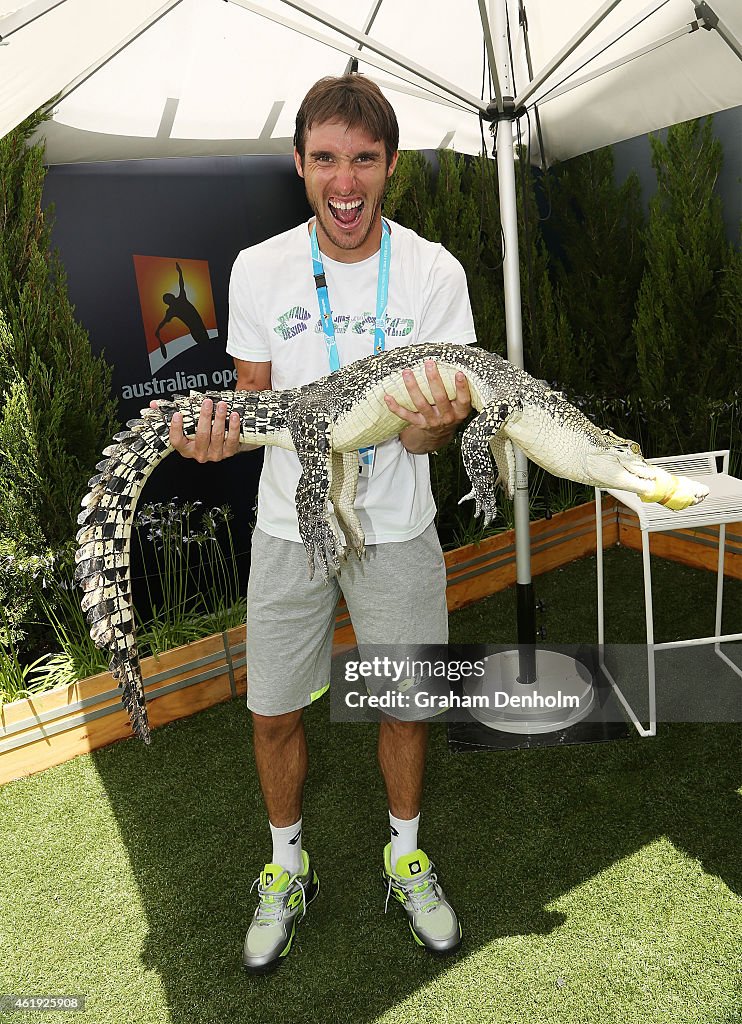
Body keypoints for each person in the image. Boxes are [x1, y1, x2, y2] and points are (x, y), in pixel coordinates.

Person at [166, 74, 477, 973]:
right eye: (328, 160)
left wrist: (435, 423)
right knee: (271, 713)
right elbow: (256, 404)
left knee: (406, 703)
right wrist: (221, 435)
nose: (347, 183)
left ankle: (405, 851)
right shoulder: (261, 267)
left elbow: (427, 434)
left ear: (389, 167)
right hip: (287, 526)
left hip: (397, 523)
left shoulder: (433, 271)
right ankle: (285, 864)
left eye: (365, 161)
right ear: (300, 165)